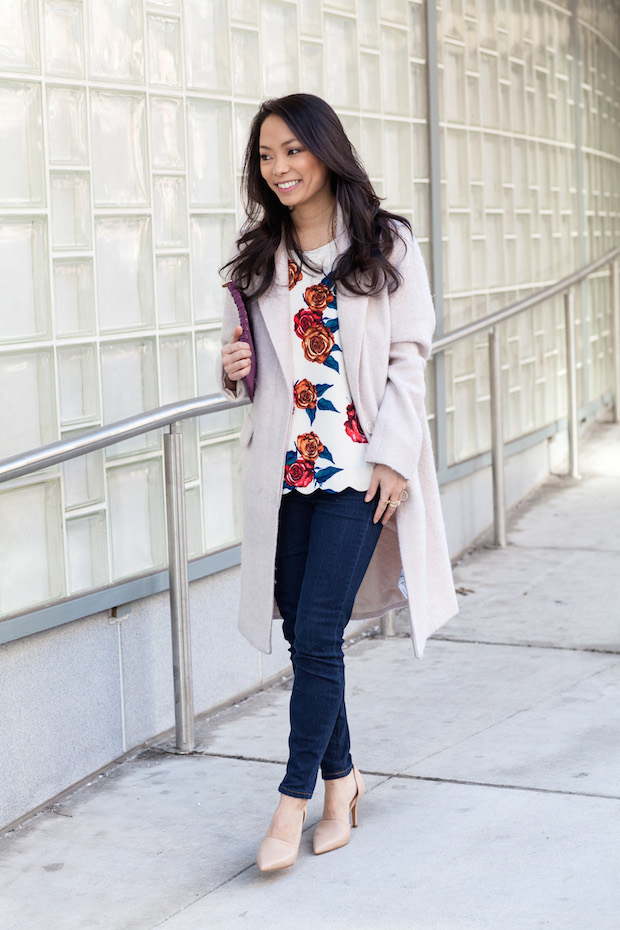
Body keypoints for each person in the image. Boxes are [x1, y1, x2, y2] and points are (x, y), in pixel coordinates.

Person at [219, 94, 457, 872]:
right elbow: (252, 362)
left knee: (318, 634)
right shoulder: (260, 256)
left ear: (325, 151)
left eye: (292, 150)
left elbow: (409, 355)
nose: (278, 168)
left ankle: (291, 805)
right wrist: (231, 367)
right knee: (304, 632)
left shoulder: (385, 242)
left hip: (359, 473)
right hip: (286, 473)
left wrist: (393, 455)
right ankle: (344, 780)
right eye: (265, 156)